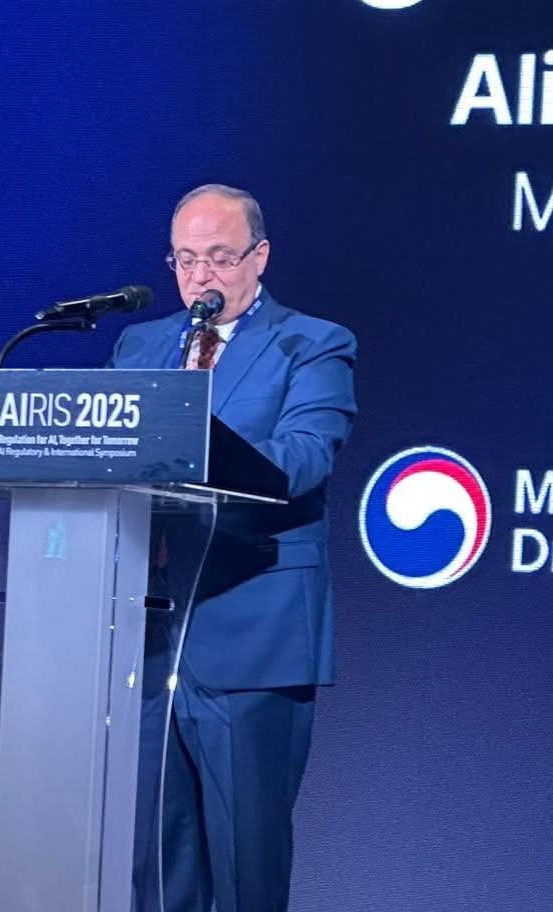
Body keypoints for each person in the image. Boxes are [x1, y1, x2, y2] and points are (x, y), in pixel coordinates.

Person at [111, 183, 357, 912]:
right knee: (155, 871)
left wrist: (192, 454)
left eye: (219, 257)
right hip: (147, 646)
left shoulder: (312, 343)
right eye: (185, 260)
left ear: (260, 256)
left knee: (247, 870)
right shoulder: (139, 346)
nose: (201, 277)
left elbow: (305, 457)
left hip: (253, 637)